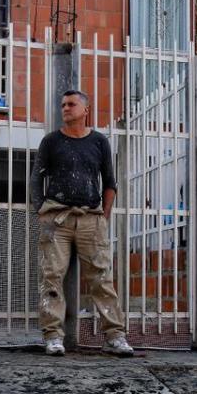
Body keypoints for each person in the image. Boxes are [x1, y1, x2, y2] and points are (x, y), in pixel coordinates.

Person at [31, 90, 131, 357]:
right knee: (51, 277)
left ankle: (115, 336)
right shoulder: (51, 141)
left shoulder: (99, 141)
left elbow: (110, 182)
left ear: (86, 109)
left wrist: (103, 217)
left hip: (91, 218)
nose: (66, 108)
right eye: (63, 104)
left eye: (71, 104)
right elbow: (36, 178)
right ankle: (53, 336)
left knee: (101, 278)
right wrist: (41, 209)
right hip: (56, 218)